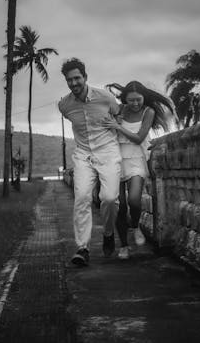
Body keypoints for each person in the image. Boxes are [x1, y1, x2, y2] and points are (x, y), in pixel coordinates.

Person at [59, 58, 122, 267]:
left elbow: (118, 115)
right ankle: (82, 248)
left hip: (108, 152)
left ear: (85, 77)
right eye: (69, 80)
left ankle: (108, 232)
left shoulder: (106, 98)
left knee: (110, 197)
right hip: (83, 155)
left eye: (77, 78)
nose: (74, 83)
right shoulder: (65, 105)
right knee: (83, 197)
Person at [102, 81, 173, 260]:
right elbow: (104, 128)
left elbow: (139, 138)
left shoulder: (148, 111)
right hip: (116, 158)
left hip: (136, 158)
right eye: (131, 100)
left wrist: (118, 127)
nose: (135, 104)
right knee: (120, 206)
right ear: (124, 99)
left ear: (144, 98)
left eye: (138, 100)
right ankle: (124, 246)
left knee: (134, 200)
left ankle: (135, 225)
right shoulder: (118, 109)